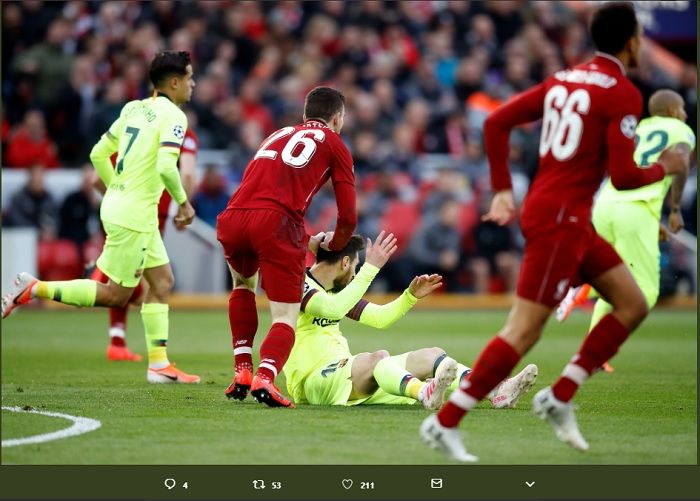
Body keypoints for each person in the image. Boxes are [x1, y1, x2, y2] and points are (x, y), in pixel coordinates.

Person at [419, 2, 690, 462]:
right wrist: (664, 167)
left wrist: (504, 189)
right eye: (641, 37)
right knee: (523, 331)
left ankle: (560, 395)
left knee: (631, 303)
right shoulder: (621, 92)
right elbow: (625, 177)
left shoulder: (564, 79)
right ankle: (444, 424)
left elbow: (497, 121)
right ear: (630, 41)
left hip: (569, 216)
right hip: (560, 219)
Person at [2, 51, 200, 385]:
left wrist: (117, 188)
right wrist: (183, 203)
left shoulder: (132, 108)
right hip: (134, 214)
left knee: (162, 282)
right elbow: (167, 167)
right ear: (175, 82)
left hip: (127, 208)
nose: (194, 84)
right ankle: (35, 288)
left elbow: (97, 153)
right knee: (115, 294)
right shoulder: (175, 117)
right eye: (190, 78)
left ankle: (158, 365)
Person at [283, 232, 538, 410]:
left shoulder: (339, 292)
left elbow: (379, 318)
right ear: (346, 262)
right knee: (377, 359)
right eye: (356, 266)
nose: (355, 273)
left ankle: (495, 391)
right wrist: (372, 268)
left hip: (346, 376)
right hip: (313, 383)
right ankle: (423, 392)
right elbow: (332, 308)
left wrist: (409, 296)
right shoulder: (298, 286)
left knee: (433, 355)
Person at [218, 86, 357, 408]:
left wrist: (302, 237)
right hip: (276, 224)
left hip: (234, 216)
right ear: (337, 118)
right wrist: (333, 247)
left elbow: (265, 191)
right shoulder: (335, 144)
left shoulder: (278, 134)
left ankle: (242, 369)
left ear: (306, 114)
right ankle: (265, 377)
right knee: (284, 317)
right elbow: (348, 216)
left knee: (242, 286)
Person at [555, 89, 695, 372]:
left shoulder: (640, 128)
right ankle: (585, 288)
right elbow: (680, 164)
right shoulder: (680, 129)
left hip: (606, 202)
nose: (685, 114)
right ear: (671, 111)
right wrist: (676, 209)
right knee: (644, 293)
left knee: (617, 274)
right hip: (636, 206)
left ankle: (595, 352)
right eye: (681, 109)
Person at [90, 124, 198, 362]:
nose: (190, 84)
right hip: (147, 216)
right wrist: (184, 205)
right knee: (156, 284)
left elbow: (96, 180)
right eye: (188, 83)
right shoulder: (180, 130)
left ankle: (118, 340)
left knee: (134, 281)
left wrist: (121, 195)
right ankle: (158, 361)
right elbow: (188, 174)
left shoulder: (134, 127)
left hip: (118, 213)